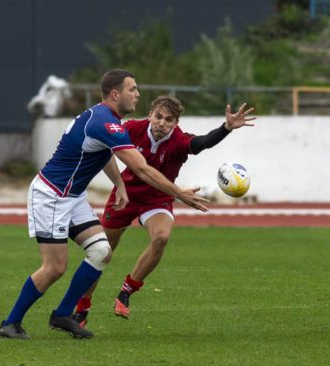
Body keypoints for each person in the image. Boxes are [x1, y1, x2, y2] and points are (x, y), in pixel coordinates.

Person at [0, 69, 209, 339]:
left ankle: (63, 314)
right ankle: (10, 323)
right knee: (54, 268)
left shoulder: (107, 119)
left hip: (72, 197)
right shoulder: (105, 122)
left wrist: (119, 184)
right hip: (51, 195)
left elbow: (104, 150)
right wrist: (179, 193)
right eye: (132, 89)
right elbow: (142, 169)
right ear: (115, 94)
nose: (137, 94)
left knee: (101, 251)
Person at [72, 95, 255, 326]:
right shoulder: (132, 129)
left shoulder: (178, 141)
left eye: (169, 120)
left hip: (157, 198)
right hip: (125, 195)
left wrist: (226, 127)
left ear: (176, 123)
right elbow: (105, 148)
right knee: (102, 253)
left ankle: (126, 292)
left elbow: (202, 142)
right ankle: (82, 308)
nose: (162, 123)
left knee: (161, 238)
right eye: (158, 116)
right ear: (150, 115)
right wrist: (118, 184)